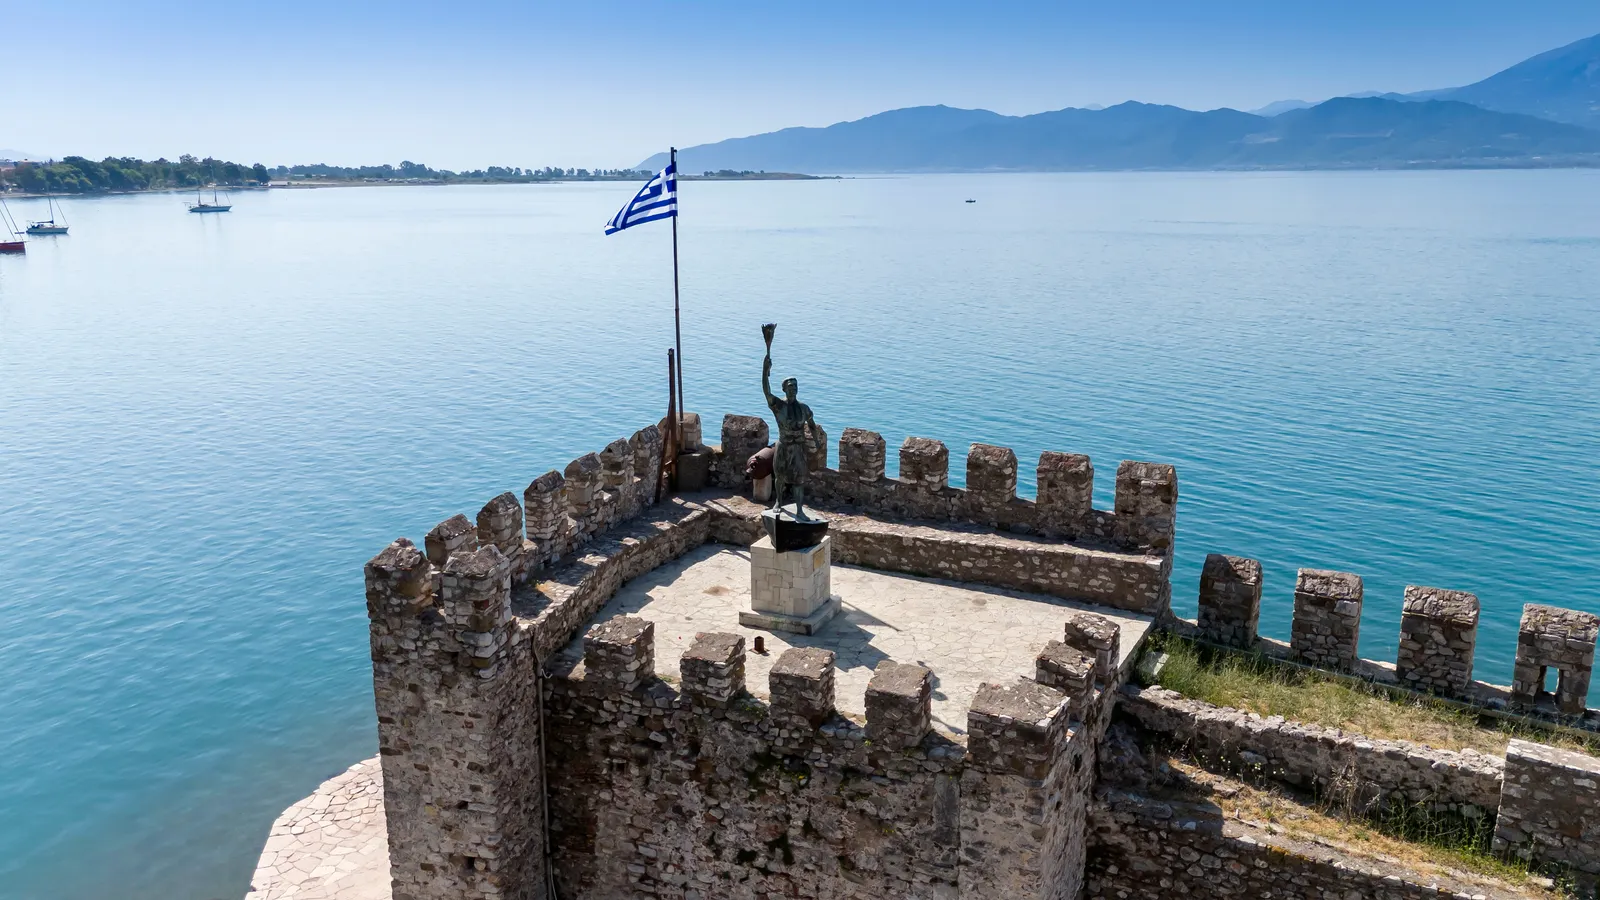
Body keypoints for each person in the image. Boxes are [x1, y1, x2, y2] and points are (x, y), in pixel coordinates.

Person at [761, 324, 819, 517]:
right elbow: (766, 392)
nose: (793, 389)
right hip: (784, 446)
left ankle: (800, 510)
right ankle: (778, 501)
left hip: (798, 448)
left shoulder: (804, 408)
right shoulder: (779, 407)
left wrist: (817, 441)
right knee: (780, 477)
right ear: (784, 389)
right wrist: (764, 370)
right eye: (789, 386)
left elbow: (811, 424)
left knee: (799, 479)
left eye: (795, 386)